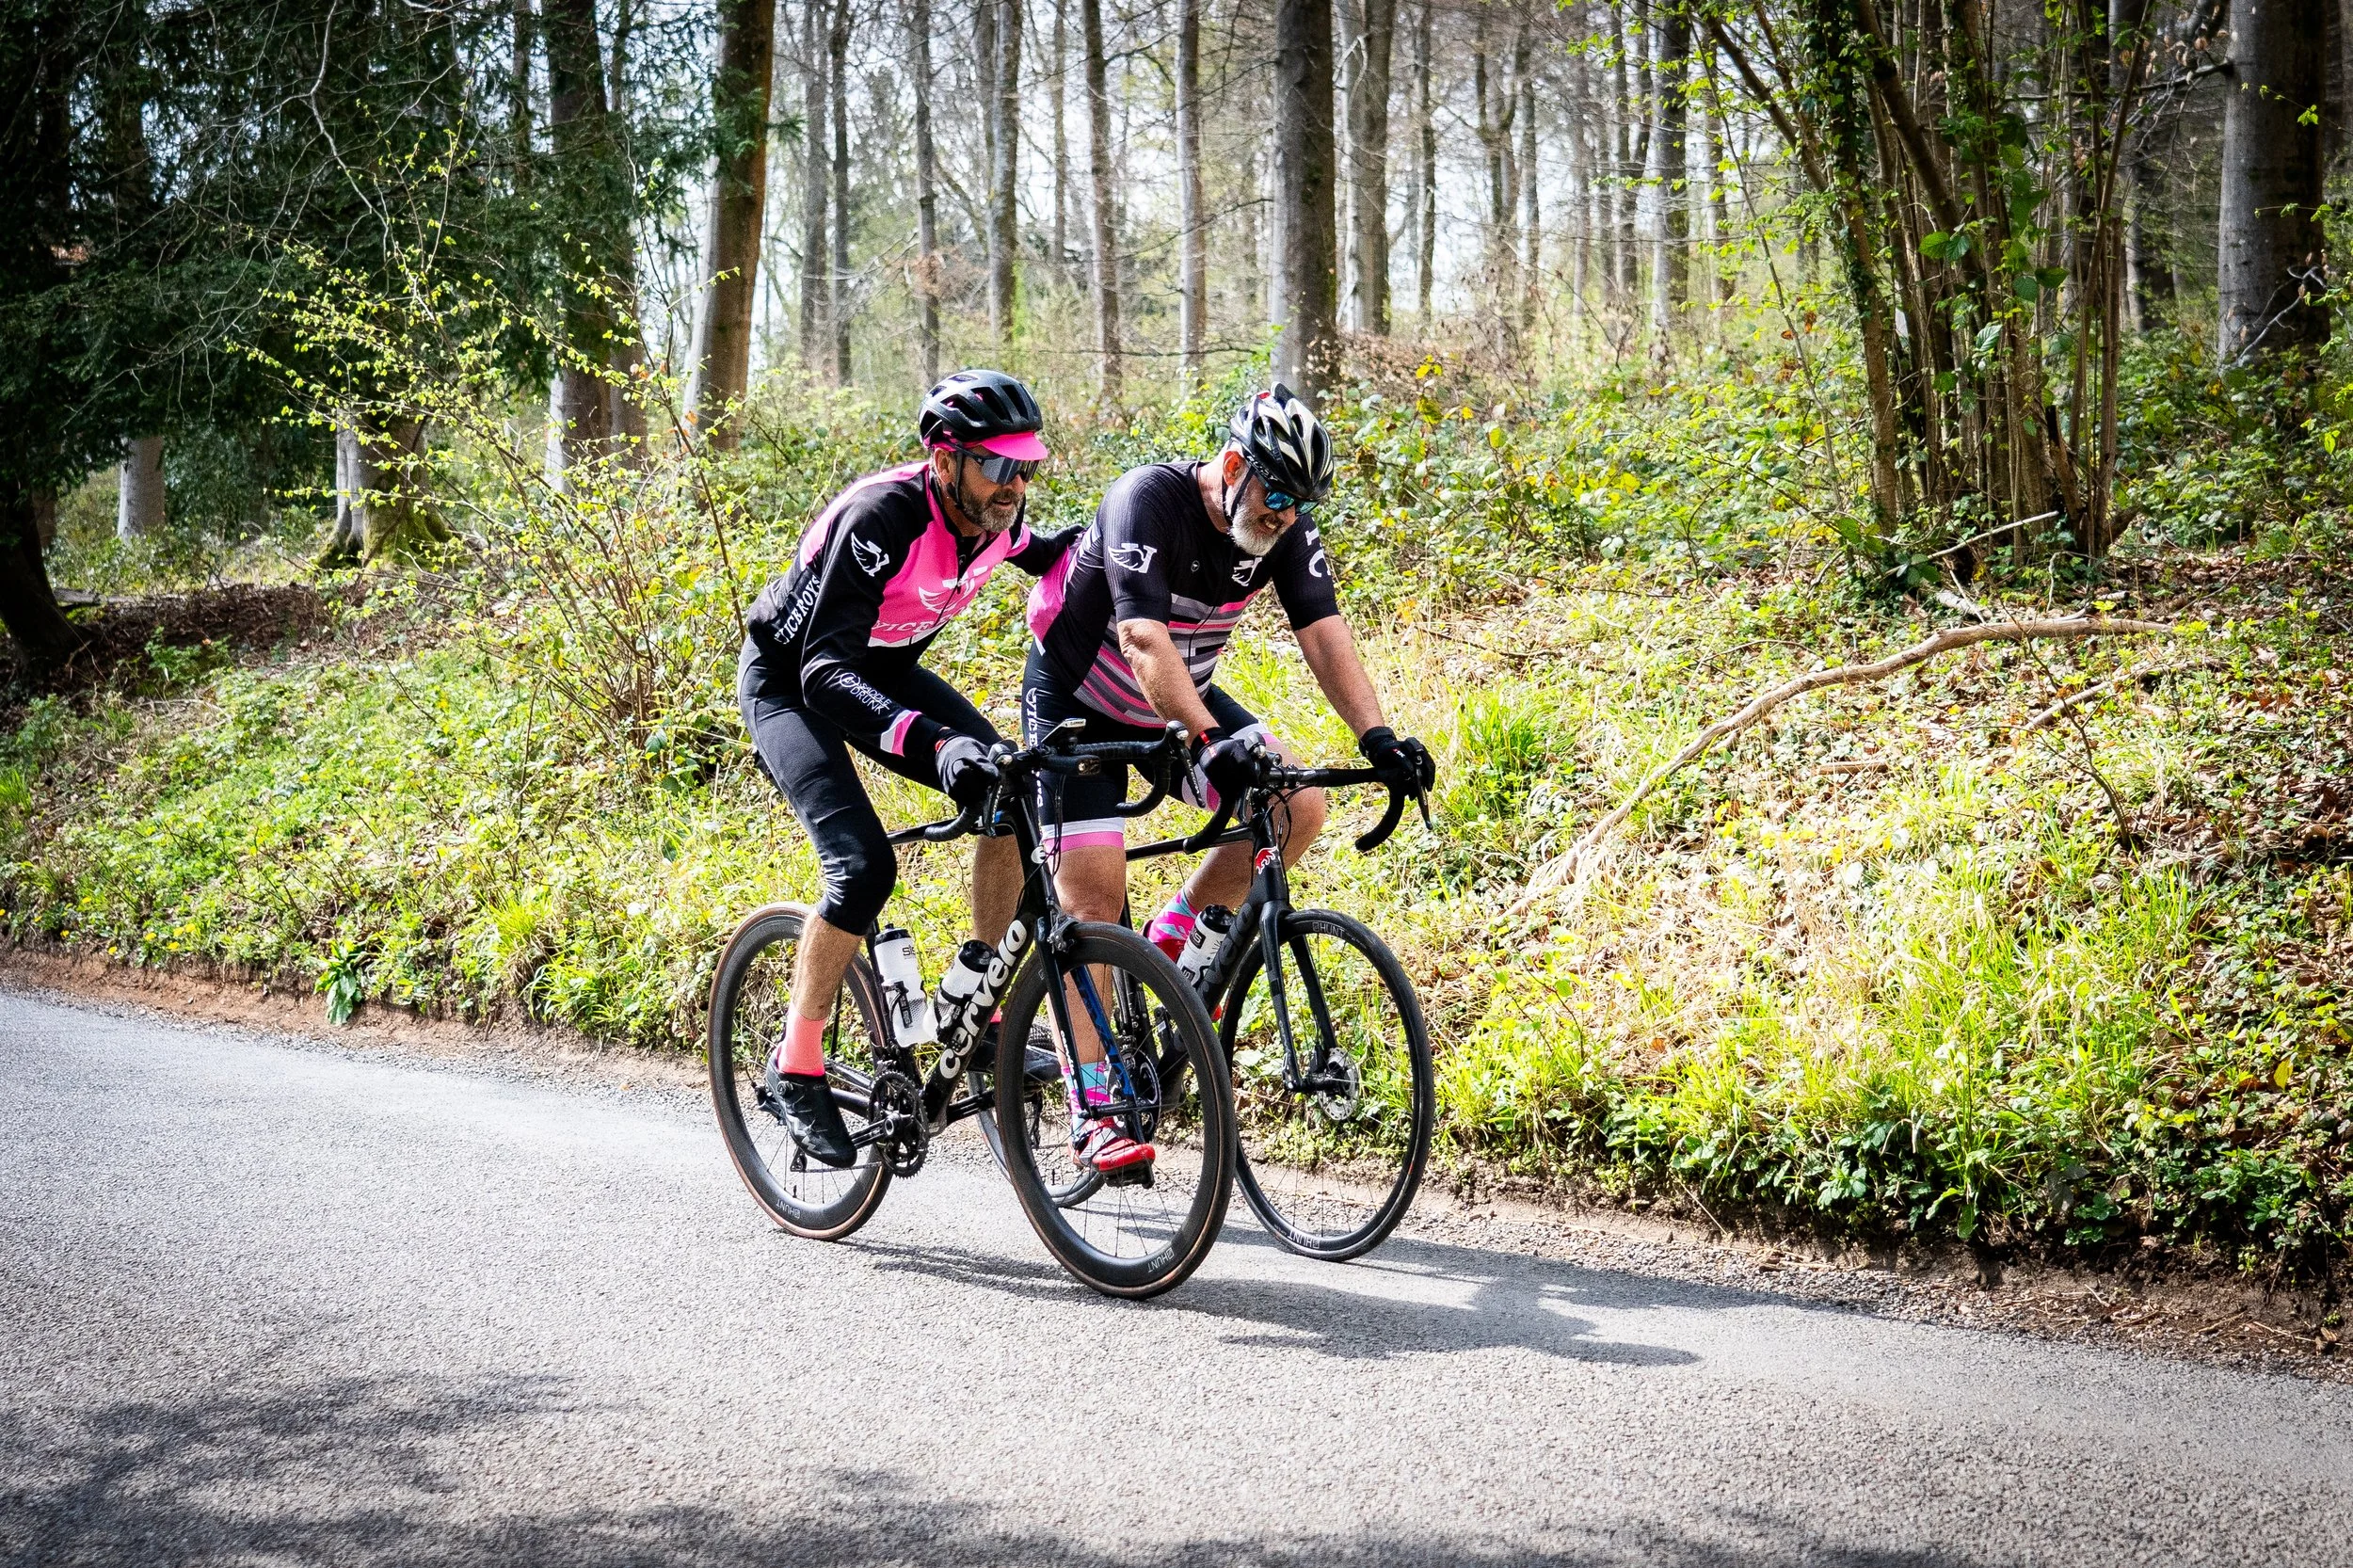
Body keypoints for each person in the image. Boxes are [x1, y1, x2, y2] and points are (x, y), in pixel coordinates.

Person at [1019, 385, 1435, 1176]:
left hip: (1178, 701)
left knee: (1295, 805)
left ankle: (1170, 942)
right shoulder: (1148, 499)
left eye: (1300, 503)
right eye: (1276, 494)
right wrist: (1208, 741)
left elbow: (1324, 633)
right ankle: (1095, 1110)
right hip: (1079, 705)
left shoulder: (1283, 526)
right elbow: (1142, 638)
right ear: (1235, 464)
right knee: (1093, 898)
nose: (1285, 515)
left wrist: (1378, 736)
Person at [740, 370, 1072, 1169]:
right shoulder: (882, 519)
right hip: (794, 684)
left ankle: (977, 1001)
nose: (1014, 484)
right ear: (944, 460)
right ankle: (796, 1063)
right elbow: (823, 673)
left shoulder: (992, 518)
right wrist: (934, 744)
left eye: (1026, 466)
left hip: (880, 671)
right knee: (862, 869)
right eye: (998, 465)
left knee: (1011, 790)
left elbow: (1055, 551)